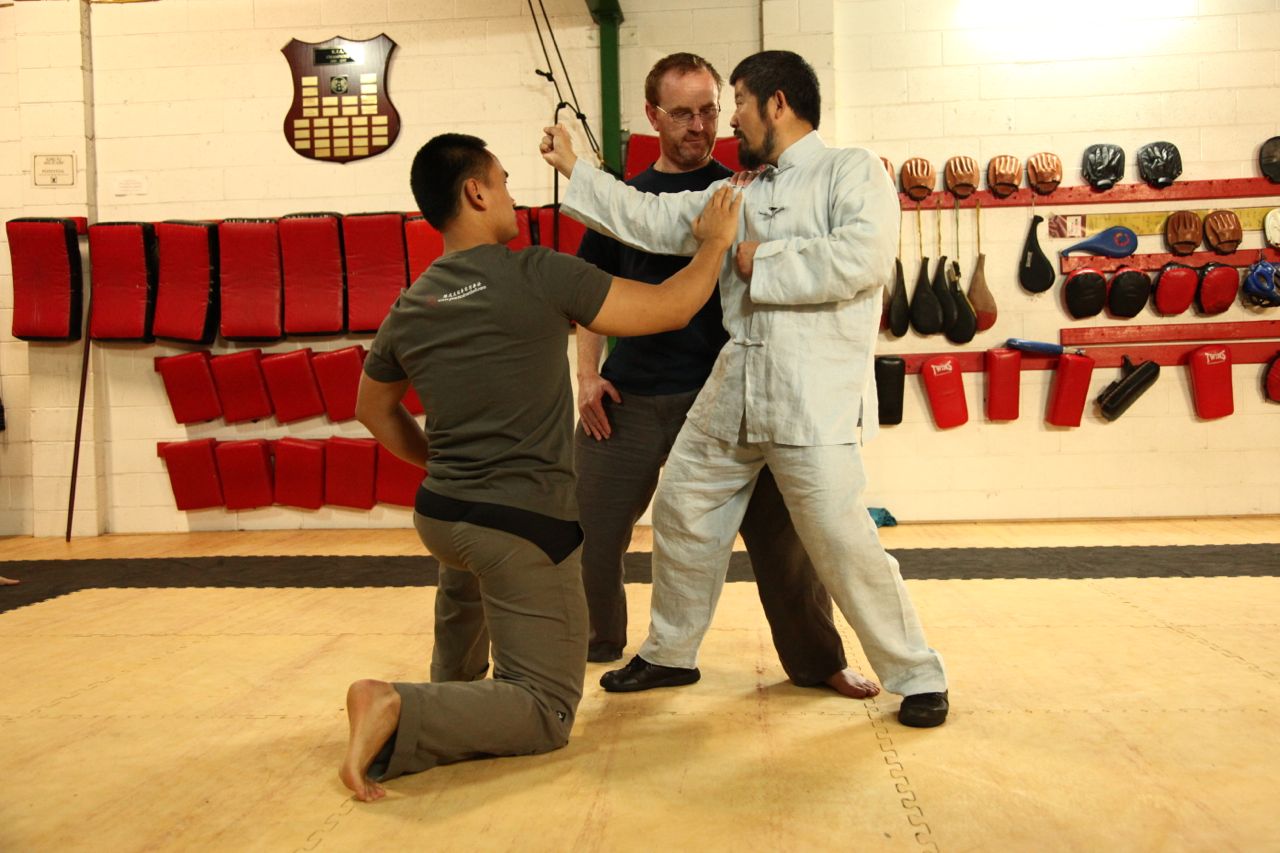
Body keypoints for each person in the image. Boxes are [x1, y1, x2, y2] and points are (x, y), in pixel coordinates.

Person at [541, 50, 950, 728]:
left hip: (808, 390)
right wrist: (576, 170)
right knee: (683, 504)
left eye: (735, 103)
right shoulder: (741, 191)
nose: (729, 120)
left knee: (839, 541)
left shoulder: (853, 171)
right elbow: (648, 216)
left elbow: (864, 258)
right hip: (736, 381)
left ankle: (918, 674)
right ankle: (671, 651)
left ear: (777, 103)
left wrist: (764, 258)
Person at [339, 133, 742, 802]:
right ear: (475, 193)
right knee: (546, 708)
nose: (511, 194)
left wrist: (440, 463)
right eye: (502, 181)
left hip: (443, 514)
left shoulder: (413, 304)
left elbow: (371, 410)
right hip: (521, 525)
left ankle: (444, 698)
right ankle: (398, 707)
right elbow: (670, 306)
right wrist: (715, 243)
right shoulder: (536, 272)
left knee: (468, 580)